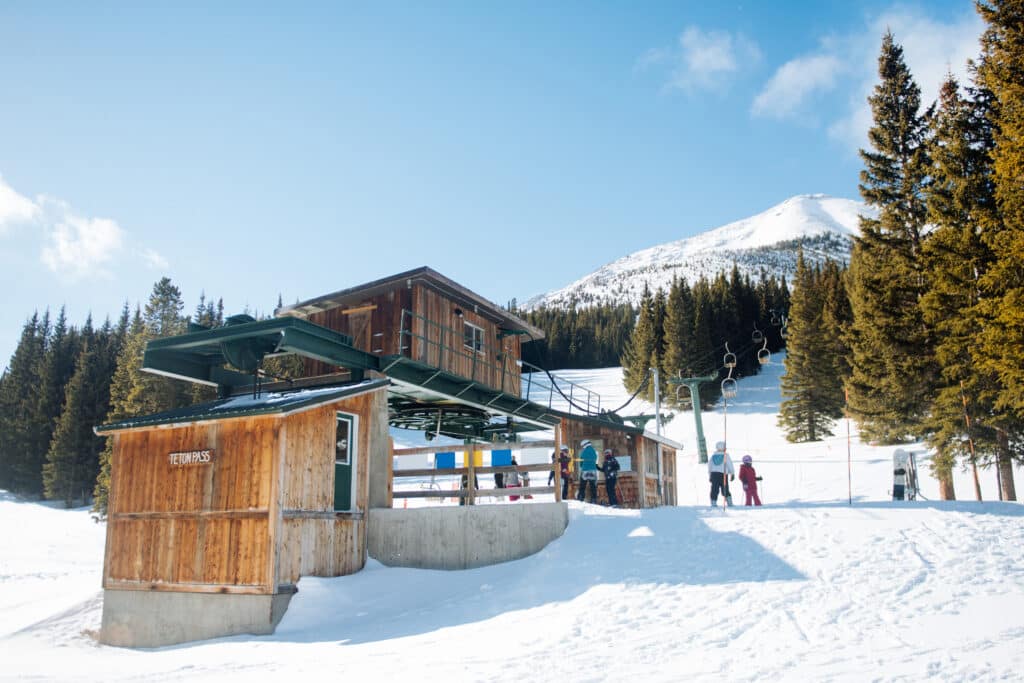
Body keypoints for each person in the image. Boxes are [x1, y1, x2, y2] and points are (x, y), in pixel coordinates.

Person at [708, 441, 734, 507]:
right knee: (725, 488)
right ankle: (729, 502)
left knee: (714, 488)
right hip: (723, 474)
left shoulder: (713, 456)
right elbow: (729, 464)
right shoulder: (726, 456)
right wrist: (732, 473)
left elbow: (709, 466)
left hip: (714, 474)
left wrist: (710, 475)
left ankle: (713, 502)